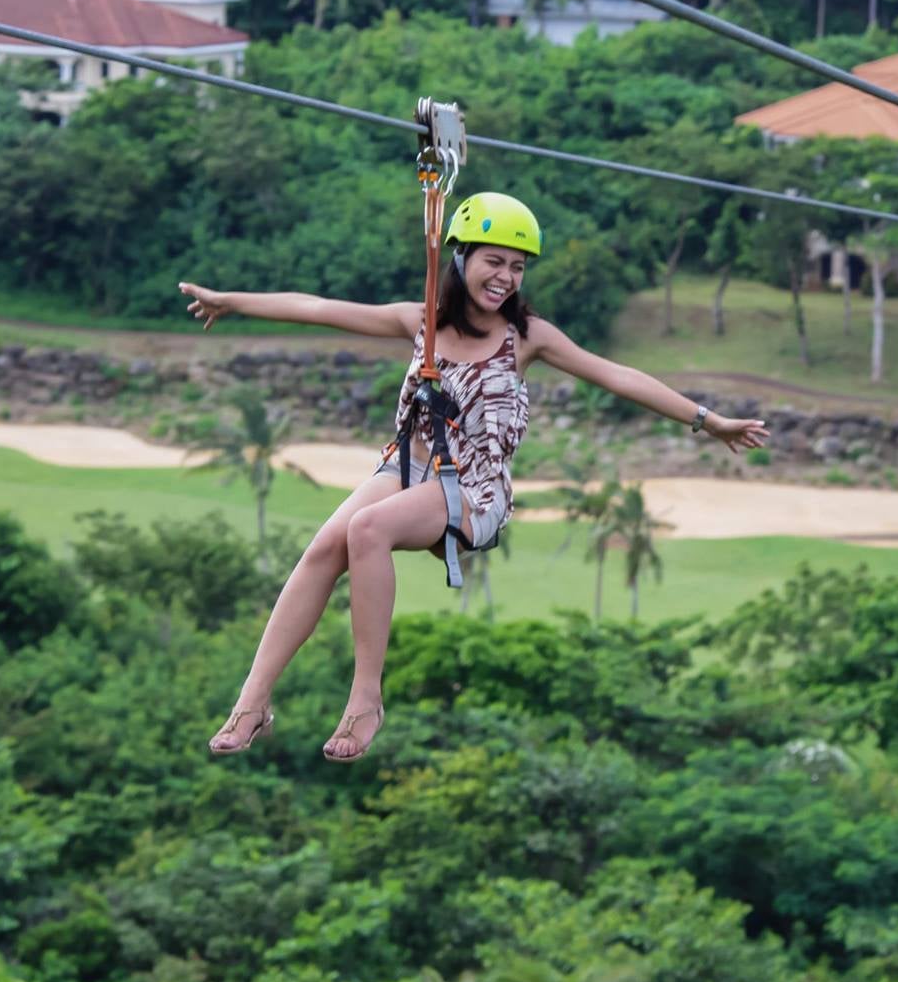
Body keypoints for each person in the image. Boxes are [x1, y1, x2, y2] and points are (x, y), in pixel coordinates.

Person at [181, 192, 769, 761]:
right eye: (494, 261)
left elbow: (616, 375)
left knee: (367, 530)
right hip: (407, 466)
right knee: (322, 549)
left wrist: (708, 420)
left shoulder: (526, 338)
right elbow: (317, 308)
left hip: (473, 488)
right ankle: (253, 702)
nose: (506, 277)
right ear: (460, 257)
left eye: (517, 267)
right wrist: (231, 301)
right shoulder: (421, 323)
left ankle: (365, 701)